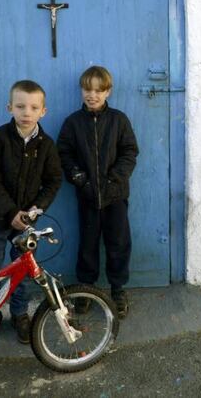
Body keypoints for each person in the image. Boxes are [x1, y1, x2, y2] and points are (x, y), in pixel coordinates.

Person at [0, 79, 62, 343]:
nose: (27, 112)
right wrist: (11, 212)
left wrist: (36, 209)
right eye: (20, 106)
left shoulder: (46, 144)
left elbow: (53, 180)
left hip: (26, 224)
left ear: (43, 111)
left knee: (24, 271)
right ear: (9, 107)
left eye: (34, 107)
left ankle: (21, 315)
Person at [57, 66, 139, 318]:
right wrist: (80, 179)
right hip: (88, 196)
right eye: (87, 89)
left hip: (115, 196)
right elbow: (64, 152)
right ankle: (86, 289)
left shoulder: (118, 120)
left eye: (98, 90)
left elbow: (129, 151)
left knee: (118, 242)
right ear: (81, 90)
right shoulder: (73, 122)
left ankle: (118, 289)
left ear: (107, 91)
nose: (92, 95)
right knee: (88, 244)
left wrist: (114, 180)